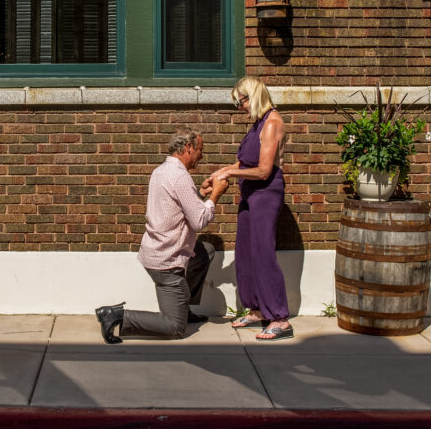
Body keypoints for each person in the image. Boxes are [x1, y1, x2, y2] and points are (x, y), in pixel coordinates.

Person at [95, 127, 229, 343]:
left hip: (154, 250)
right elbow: (199, 221)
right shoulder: (180, 176)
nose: (201, 155)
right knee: (175, 327)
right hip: (166, 261)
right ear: (188, 148)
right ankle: (116, 315)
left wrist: (200, 194)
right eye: (200, 150)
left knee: (205, 252)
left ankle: (183, 308)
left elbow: (175, 204)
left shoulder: (161, 171)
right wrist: (215, 195)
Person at [209, 76, 293, 341]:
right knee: (245, 252)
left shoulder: (272, 123)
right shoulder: (257, 125)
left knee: (263, 252)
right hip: (249, 192)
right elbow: (242, 164)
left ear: (253, 96)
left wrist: (231, 174)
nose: (239, 107)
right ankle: (257, 310)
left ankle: (279, 318)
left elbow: (264, 170)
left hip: (266, 193)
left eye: (241, 101)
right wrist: (219, 174)